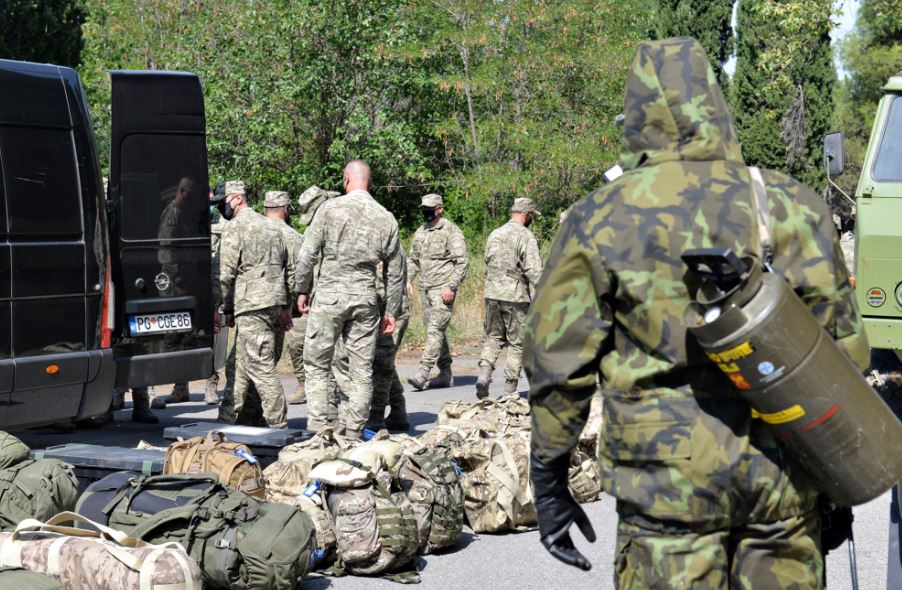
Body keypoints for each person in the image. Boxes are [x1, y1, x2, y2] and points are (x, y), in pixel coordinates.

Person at [525, 37, 868, 588]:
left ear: (636, 121)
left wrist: (549, 476)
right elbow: (845, 354)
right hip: (783, 477)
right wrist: (839, 478)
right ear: (717, 108)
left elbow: (556, 366)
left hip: (664, 491)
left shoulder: (598, 220)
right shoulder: (792, 205)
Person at [295, 160, 404, 440]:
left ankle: (319, 430)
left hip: (330, 296)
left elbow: (307, 254)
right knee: (361, 371)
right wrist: (391, 310)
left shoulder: (329, 210)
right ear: (369, 181)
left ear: (346, 179)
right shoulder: (385, 217)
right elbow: (396, 271)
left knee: (317, 364)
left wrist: (301, 289)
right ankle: (354, 432)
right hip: (365, 299)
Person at [219, 180, 294, 429]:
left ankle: (278, 425)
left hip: (253, 305)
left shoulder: (236, 226)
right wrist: (285, 306)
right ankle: (228, 418)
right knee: (238, 364)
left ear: (238, 198)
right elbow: (289, 271)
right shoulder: (272, 227)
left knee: (261, 367)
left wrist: (216, 306)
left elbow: (225, 273)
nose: (222, 207)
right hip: (270, 304)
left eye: (224, 200)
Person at [476, 197, 543, 398]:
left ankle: (484, 374)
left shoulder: (495, 234)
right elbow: (533, 269)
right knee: (517, 342)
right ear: (527, 214)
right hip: (515, 295)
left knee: (493, 337)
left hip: (492, 293)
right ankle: (509, 390)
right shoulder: (526, 236)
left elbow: (488, 261)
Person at [406, 193, 469, 390]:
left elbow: (462, 262)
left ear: (440, 209)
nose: (427, 212)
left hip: (443, 290)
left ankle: (422, 372)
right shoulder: (421, 231)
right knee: (434, 330)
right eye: (424, 209)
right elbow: (413, 260)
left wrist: (451, 286)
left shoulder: (451, 231)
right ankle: (445, 373)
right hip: (425, 289)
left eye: (430, 209)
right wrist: (407, 280)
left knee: (435, 330)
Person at [286, 186, 340, 405]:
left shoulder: (341, 219)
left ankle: (331, 392)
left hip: (335, 294)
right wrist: (301, 291)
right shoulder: (312, 228)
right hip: (312, 293)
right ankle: (304, 382)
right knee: (296, 340)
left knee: (333, 348)